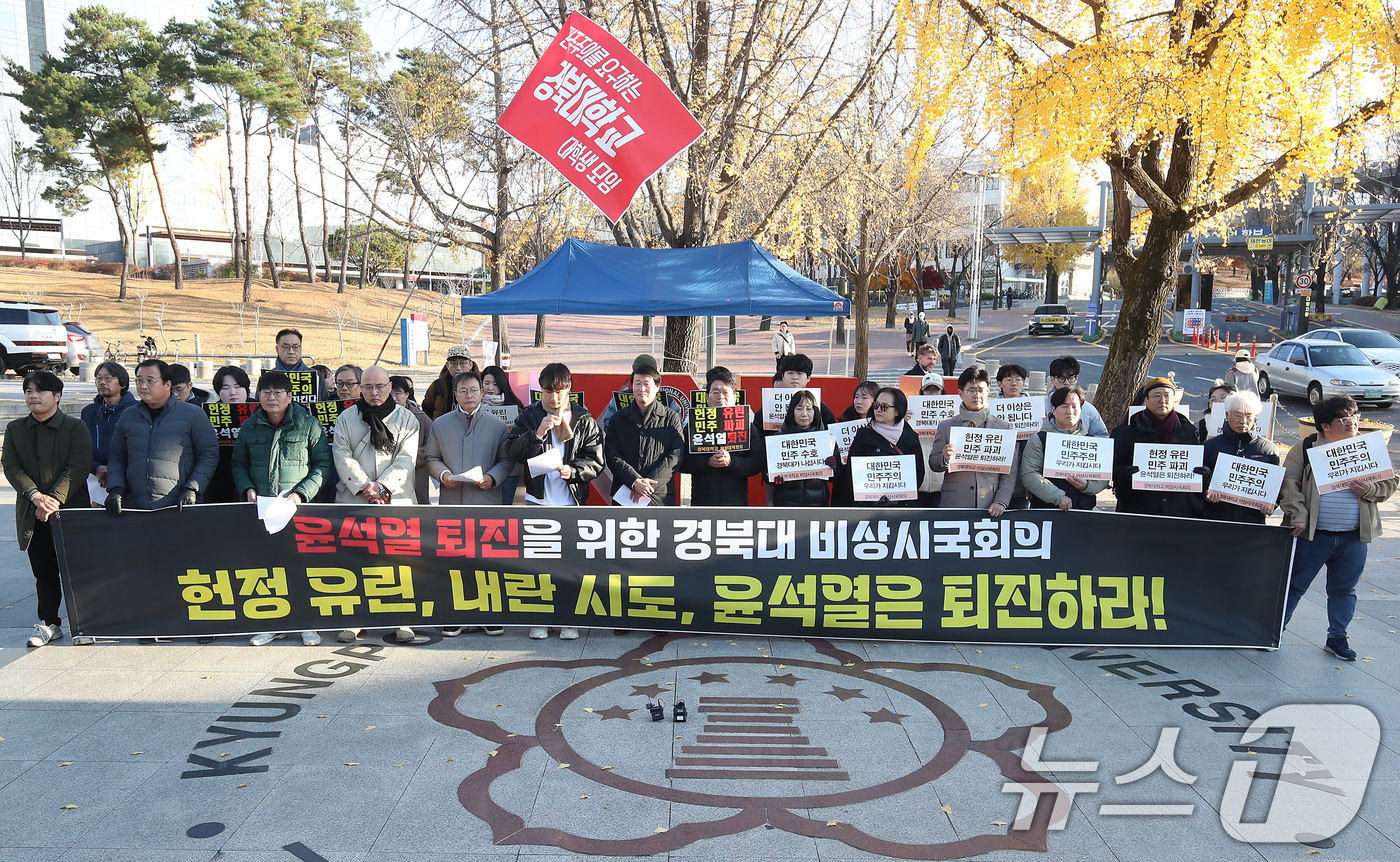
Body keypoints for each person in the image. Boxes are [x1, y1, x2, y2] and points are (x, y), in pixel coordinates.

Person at [1280, 396, 1398, 661]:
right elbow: (1288, 483)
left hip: (1353, 538)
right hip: (1314, 535)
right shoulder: (1307, 447)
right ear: (1325, 426)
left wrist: (1370, 489)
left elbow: (1390, 483)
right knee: (1295, 584)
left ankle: (1337, 637)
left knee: (1344, 589)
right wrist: (1298, 514)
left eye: (1355, 418)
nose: (1352, 424)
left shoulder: (1368, 448)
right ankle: (1275, 630)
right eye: (1344, 420)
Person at [232, 371, 333, 648]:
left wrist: (302, 494)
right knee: (267, 567)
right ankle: (273, 624)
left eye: (278, 392)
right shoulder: (250, 427)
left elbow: (322, 465)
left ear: (290, 396)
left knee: (302, 565)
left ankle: (308, 623)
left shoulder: (308, 425)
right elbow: (238, 463)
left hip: (298, 508)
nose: (272, 397)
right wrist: (247, 488)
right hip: (263, 508)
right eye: (266, 392)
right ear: (258, 396)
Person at [506, 362, 604, 640]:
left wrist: (572, 471)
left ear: (569, 389)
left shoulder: (583, 419)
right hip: (539, 501)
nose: (554, 398)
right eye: (548, 391)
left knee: (569, 566)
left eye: (559, 391)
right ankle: (540, 619)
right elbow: (512, 450)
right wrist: (536, 434)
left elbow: (596, 462)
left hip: (571, 503)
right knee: (539, 565)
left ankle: (568, 620)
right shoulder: (530, 415)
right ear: (541, 391)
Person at [332, 366, 422, 644]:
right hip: (355, 497)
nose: (374, 393)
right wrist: (364, 486)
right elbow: (342, 453)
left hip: (395, 498)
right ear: (360, 388)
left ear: (389, 387)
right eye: (368, 387)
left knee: (398, 561)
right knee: (355, 560)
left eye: (380, 387)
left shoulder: (407, 418)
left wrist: (382, 486)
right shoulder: (347, 417)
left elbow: (407, 459)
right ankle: (355, 619)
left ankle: (402, 619)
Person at [3, 371, 92, 647]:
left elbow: (77, 467)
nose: (33, 396)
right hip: (33, 512)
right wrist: (35, 496)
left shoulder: (75, 428)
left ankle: (86, 624)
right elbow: (11, 466)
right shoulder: (16, 429)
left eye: (40, 391)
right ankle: (50, 623)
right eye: (29, 390)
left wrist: (52, 500)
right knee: (44, 571)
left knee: (77, 569)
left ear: (57, 396)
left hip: (70, 512)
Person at [425, 370, 513, 638]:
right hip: (452, 501)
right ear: (455, 395)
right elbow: (430, 458)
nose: (469, 395)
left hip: (486, 501)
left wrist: (492, 477)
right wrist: (443, 475)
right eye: (463, 391)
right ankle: (456, 615)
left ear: (482, 393)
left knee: (488, 560)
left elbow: (507, 461)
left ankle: (489, 615)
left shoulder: (497, 426)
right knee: (454, 560)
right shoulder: (441, 424)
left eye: (474, 390)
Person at [105, 359, 219, 513]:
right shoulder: (128, 416)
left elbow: (208, 454)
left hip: (180, 507)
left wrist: (193, 488)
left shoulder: (193, 414)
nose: (143, 386)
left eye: (150, 381)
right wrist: (116, 488)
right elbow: (117, 456)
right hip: (137, 507)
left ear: (168, 384)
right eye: (139, 380)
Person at [1111, 377, 1203, 517]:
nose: (1162, 400)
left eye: (1167, 395)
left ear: (1174, 399)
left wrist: (1203, 475)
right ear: (1146, 400)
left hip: (1177, 511)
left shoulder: (1188, 431)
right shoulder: (1128, 432)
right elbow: (1114, 469)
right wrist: (1126, 474)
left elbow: (1196, 470)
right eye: (1156, 396)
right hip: (1138, 510)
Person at [930, 366, 1018, 515]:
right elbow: (933, 462)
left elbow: (1010, 472)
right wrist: (944, 458)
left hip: (990, 504)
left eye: (981, 390)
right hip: (955, 503)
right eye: (971, 390)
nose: (977, 395)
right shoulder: (946, 426)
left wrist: (1001, 501)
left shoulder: (1004, 427)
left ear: (988, 391)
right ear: (960, 393)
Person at [605, 363, 685, 506]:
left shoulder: (671, 418)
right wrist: (634, 481)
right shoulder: (618, 419)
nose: (642, 389)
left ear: (657, 387)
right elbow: (612, 455)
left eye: (647, 384)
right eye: (637, 384)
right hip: (625, 493)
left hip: (659, 495)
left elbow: (675, 455)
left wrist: (648, 485)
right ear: (632, 387)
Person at [681, 369, 762, 506]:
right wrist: (707, 462)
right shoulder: (694, 426)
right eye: (715, 392)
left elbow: (756, 462)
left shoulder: (746, 426)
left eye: (725, 392)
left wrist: (731, 461)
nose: (721, 397)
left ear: (735, 398)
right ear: (707, 398)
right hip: (702, 502)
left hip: (736, 502)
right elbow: (681, 462)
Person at [1021, 386, 1108, 510]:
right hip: (1045, 511)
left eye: (1074, 406)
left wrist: (1087, 485)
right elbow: (1029, 474)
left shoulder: (1092, 441)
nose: (1070, 411)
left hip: (1084, 511)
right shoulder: (1039, 439)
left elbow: (1103, 479)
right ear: (1053, 409)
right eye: (1064, 406)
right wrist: (1058, 497)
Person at [1202, 390, 1280, 524]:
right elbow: (1200, 482)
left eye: (1249, 416)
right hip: (1217, 520)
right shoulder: (1210, 446)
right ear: (1227, 415)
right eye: (1238, 416)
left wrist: (1272, 503)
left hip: (1252, 522)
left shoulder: (1268, 449)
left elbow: (1276, 486)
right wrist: (1206, 494)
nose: (1243, 421)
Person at [847, 387, 924, 507]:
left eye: (884, 407)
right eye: (876, 405)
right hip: (869, 507)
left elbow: (918, 473)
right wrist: (870, 497)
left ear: (898, 411)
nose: (878, 410)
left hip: (902, 508)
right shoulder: (863, 434)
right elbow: (851, 472)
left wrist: (900, 497)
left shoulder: (910, 436)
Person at [759, 389, 835, 506]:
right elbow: (766, 471)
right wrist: (772, 478)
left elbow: (836, 477)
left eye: (809, 409)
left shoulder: (826, 440)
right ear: (791, 412)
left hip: (818, 503)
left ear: (815, 412)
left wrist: (834, 467)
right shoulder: (777, 440)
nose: (804, 414)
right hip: (784, 503)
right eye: (799, 409)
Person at [81, 360, 136, 491]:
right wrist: (95, 467)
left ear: (122, 383)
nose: (102, 382)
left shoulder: (136, 411)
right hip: (95, 482)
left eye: (108, 378)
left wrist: (115, 471)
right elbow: (81, 447)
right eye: (98, 379)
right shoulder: (89, 412)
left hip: (128, 480)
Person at [205, 365, 253, 504]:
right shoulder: (209, 415)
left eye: (238, 387)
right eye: (225, 388)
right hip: (221, 480)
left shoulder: (260, 411)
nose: (233, 392)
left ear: (246, 389)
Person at [482, 365, 526, 504]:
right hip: (483, 465)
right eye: (486, 383)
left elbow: (523, 438)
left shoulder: (515, 406)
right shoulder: (475, 406)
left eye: (495, 384)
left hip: (509, 467)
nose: (490, 388)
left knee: (505, 507)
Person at [391, 375, 433, 505]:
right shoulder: (378, 416)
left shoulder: (421, 418)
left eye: (398, 393)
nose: (394, 398)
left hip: (416, 472)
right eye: (390, 394)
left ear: (407, 394)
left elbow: (431, 447)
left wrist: (406, 458)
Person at [996, 364, 1033, 510]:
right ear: (999, 384)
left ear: (1024, 383)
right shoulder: (990, 409)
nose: (1014, 383)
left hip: (1022, 482)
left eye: (1018, 379)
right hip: (996, 479)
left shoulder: (1034, 410)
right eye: (1008, 379)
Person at [1047, 356, 1108, 436]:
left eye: (1071, 378)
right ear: (1052, 379)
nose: (1067, 383)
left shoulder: (1088, 409)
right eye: (1061, 378)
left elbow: (1102, 436)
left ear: (1076, 378)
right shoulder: (1041, 406)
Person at [421, 346, 480, 420]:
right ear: (447, 365)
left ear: (470, 365)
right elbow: (427, 409)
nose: (458, 368)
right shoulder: (438, 385)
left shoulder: (480, 384)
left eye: (463, 363)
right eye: (454, 363)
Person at [777, 354, 837, 425]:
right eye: (790, 373)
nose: (795, 377)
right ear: (783, 377)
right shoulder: (769, 406)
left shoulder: (819, 407)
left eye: (799, 373)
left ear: (808, 378)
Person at [917, 374, 946, 507]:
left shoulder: (953, 418)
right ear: (922, 392)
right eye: (928, 389)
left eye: (936, 390)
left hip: (942, 485)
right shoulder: (910, 415)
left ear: (942, 393)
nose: (932, 393)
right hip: (918, 485)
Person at [272, 328, 327, 399]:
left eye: (295, 347)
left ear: (300, 349)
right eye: (286, 347)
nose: (291, 352)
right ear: (277, 349)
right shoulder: (267, 377)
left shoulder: (316, 376)